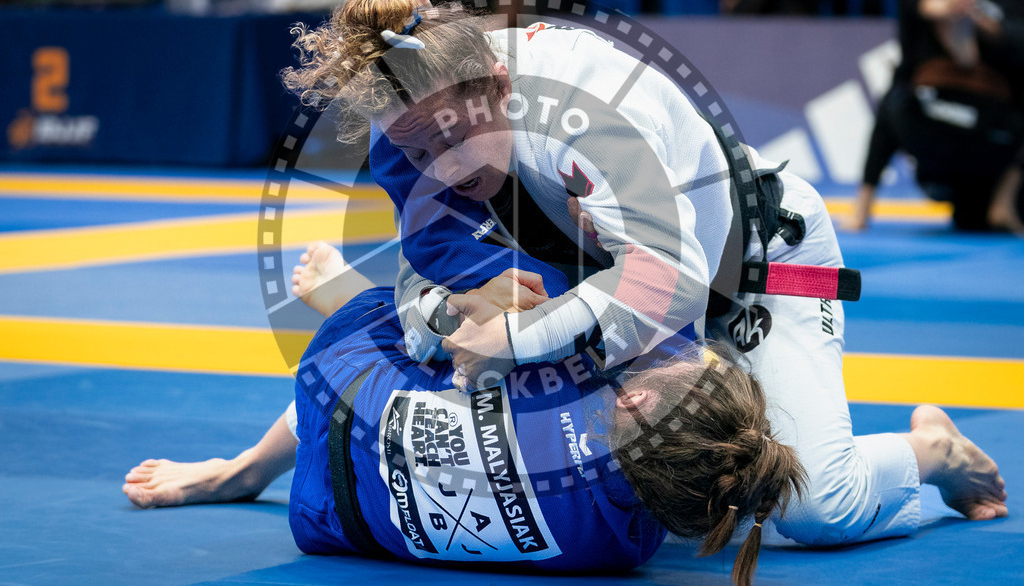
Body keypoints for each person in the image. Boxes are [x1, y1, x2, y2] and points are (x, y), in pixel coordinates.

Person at [278, 0, 1008, 560]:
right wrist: (449, 309)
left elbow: (672, 292)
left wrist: (509, 337)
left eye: (450, 141)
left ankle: (932, 448)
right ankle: (256, 454)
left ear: (499, 87)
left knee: (814, 508)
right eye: (414, 150)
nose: (439, 166)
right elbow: (424, 286)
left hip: (751, 274)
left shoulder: (590, 114)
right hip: (619, 284)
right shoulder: (418, 117)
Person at [124, 241, 1006, 585]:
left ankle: (927, 449)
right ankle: (927, 450)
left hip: (764, 248)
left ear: (628, 402)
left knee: (816, 502)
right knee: (804, 505)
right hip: (335, 499)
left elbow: (384, 370)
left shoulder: (597, 467)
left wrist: (349, 296)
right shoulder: (617, 543)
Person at [850, 0, 1024, 232]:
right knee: (975, 218)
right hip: (993, 140)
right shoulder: (987, 2)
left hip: (925, 124)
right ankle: (1003, 202)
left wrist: (979, 22)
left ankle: (861, 209)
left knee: (900, 82)